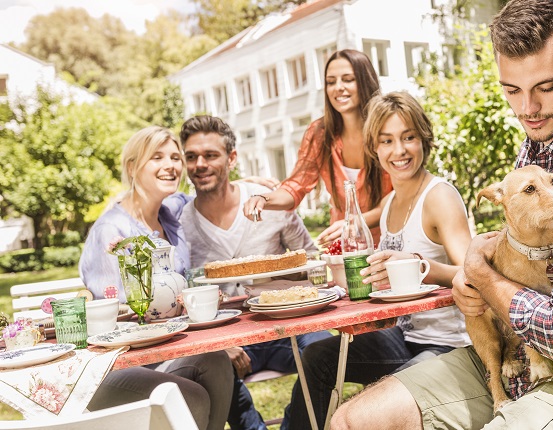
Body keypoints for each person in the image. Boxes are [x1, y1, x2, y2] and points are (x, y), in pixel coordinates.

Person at [329, 1, 553, 429]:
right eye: (512, 90)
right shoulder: (537, 146)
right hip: (515, 364)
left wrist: (482, 275)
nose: (528, 108)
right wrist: (468, 282)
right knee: (353, 420)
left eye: (546, 86)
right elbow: (503, 256)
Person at [284, 92, 472, 430]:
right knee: (317, 358)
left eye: (408, 137)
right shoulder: (391, 202)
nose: (398, 151)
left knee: (372, 407)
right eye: (387, 141)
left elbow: (473, 275)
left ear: (423, 139)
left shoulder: (439, 197)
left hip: (447, 345)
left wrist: (419, 265)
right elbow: (366, 225)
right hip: (403, 336)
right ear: (375, 147)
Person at [177, 115, 333, 430]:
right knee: (209, 365)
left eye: (210, 155)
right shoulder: (180, 223)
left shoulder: (267, 203)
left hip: (285, 328)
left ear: (231, 158)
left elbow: (312, 261)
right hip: (228, 338)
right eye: (191, 157)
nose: (200, 164)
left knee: (325, 350)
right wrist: (220, 345)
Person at [79, 126, 233, 430]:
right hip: (114, 366)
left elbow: (194, 195)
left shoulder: (167, 213)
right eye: (157, 157)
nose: (171, 165)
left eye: (176, 157)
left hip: (161, 352)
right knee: (190, 397)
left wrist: (250, 183)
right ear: (133, 168)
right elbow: (116, 318)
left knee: (217, 362)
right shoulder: (112, 234)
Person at [243, 49, 393, 247]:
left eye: (348, 79)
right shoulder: (319, 133)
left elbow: (401, 195)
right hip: (346, 249)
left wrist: (356, 222)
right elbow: (296, 186)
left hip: (391, 242)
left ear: (365, 81)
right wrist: (263, 198)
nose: (338, 87)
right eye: (331, 82)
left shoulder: (388, 129)